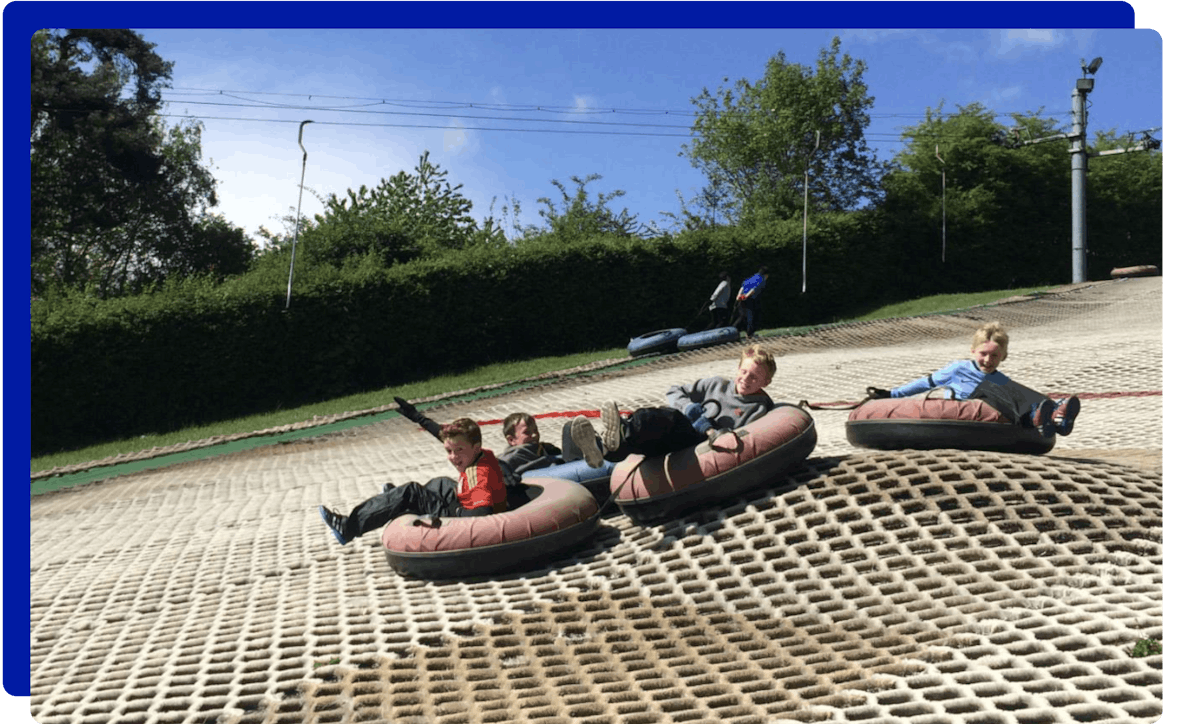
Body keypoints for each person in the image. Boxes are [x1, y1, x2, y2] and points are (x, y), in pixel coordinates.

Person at [566, 344, 778, 467]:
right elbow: (674, 391)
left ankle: (620, 432)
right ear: (738, 368)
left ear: (765, 382)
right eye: (743, 372)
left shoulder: (759, 410)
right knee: (653, 428)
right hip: (687, 427)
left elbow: (745, 441)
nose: (745, 379)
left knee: (670, 419)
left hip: (702, 443)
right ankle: (604, 449)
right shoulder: (717, 384)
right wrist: (693, 411)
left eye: (754, 377)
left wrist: (711, 430)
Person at [864, 321, 1081, 437]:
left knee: (1012, 386)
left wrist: (1041, 401)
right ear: (973, 351)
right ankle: (1035, 414)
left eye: (994, 356)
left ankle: (1054, 413)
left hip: (998, 396)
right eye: (983, 354)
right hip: (969, 400)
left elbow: (1014, 393)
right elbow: (925, 383)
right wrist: (892, 394)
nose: (988, 360)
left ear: (1003, 356)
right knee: (989, 386)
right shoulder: (959, 368)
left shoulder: (999, 376)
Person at [318, 418, 507, 545]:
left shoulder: (478, 475)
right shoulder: (482, 454)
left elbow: (482, 515)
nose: (453, 457)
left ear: (475, 447)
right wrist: (418, 417)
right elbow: (442, 434)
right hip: (467, 503)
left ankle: (349, 527)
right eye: (449, 451)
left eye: (459, 451)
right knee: (441, 483)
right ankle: (397, 500)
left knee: (412, 491)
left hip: (464, 518)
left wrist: (457, 511)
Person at [498, 412, 564, 475]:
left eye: (535, 430)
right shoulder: (510, 460)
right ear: (511, 440)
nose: (534, 435)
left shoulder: (548, 449)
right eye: (527, 432)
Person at [731, 266, 769, 338]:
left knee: (742, 316)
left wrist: (738, 296)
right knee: (751, 316)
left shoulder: (752, 277)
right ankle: (749, 334)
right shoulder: (762, 279)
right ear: (766, 274)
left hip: (742, 299)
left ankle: (732, 331)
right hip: (750, 299)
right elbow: (753, 289)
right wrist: (746, 296)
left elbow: (742, 286)